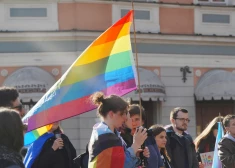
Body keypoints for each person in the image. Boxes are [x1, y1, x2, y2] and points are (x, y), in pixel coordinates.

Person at [88, 92, 150, 168]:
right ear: (111, 114)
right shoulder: (105, 136)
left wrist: (135, 154)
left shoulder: (107, 132)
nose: (126, 117)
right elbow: (121, 165)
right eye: (123, 113)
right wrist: (136, 144)